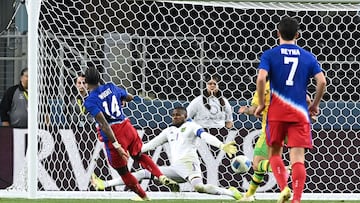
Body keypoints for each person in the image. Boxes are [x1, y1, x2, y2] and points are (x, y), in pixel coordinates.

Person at [91, 106, 242, 200]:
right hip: (175, 168)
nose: (175, 117)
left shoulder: (191, 126)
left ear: (185, 116)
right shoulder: (168, 131)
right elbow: (150, 145)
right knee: (144, 172)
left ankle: (230, 192)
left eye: (178, 115)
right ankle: (104, 184)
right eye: (173, 115)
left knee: (199, 188)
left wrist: (222, 145)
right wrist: (129, 152)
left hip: (189, 165)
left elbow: (205, 136)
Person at [254, 16, 326, 203]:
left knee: (274, 154)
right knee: (298, 159)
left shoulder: (270, 54)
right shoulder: (308, 56)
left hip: (276, 113)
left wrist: (261, 103)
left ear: (277, 33)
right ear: (297, 35)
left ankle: (284, 188)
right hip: (300, 114)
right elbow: (322, 82)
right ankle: (297, 199)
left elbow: (261, 79)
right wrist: (315, 104)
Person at [83, 67, 179, 200]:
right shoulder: (111, 87)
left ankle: (144, 197)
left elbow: (104, 124)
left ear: (86, 82)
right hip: (127, 127)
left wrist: (117, 145)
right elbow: (130, 97)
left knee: (123, 172)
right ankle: (160, 176)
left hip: (114, 133)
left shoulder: (90, 101)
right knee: (139, 155)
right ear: (99, 78)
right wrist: (121, 99)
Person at [237, 81, 315, 202]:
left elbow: (254, 110)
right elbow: (308, 100)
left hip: (271, 129)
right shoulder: (293, 83)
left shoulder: (264, 86)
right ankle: (249, 195)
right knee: (296, 161)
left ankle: (283, 171)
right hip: (293, 128)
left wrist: (246, 110)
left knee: (257, 163)